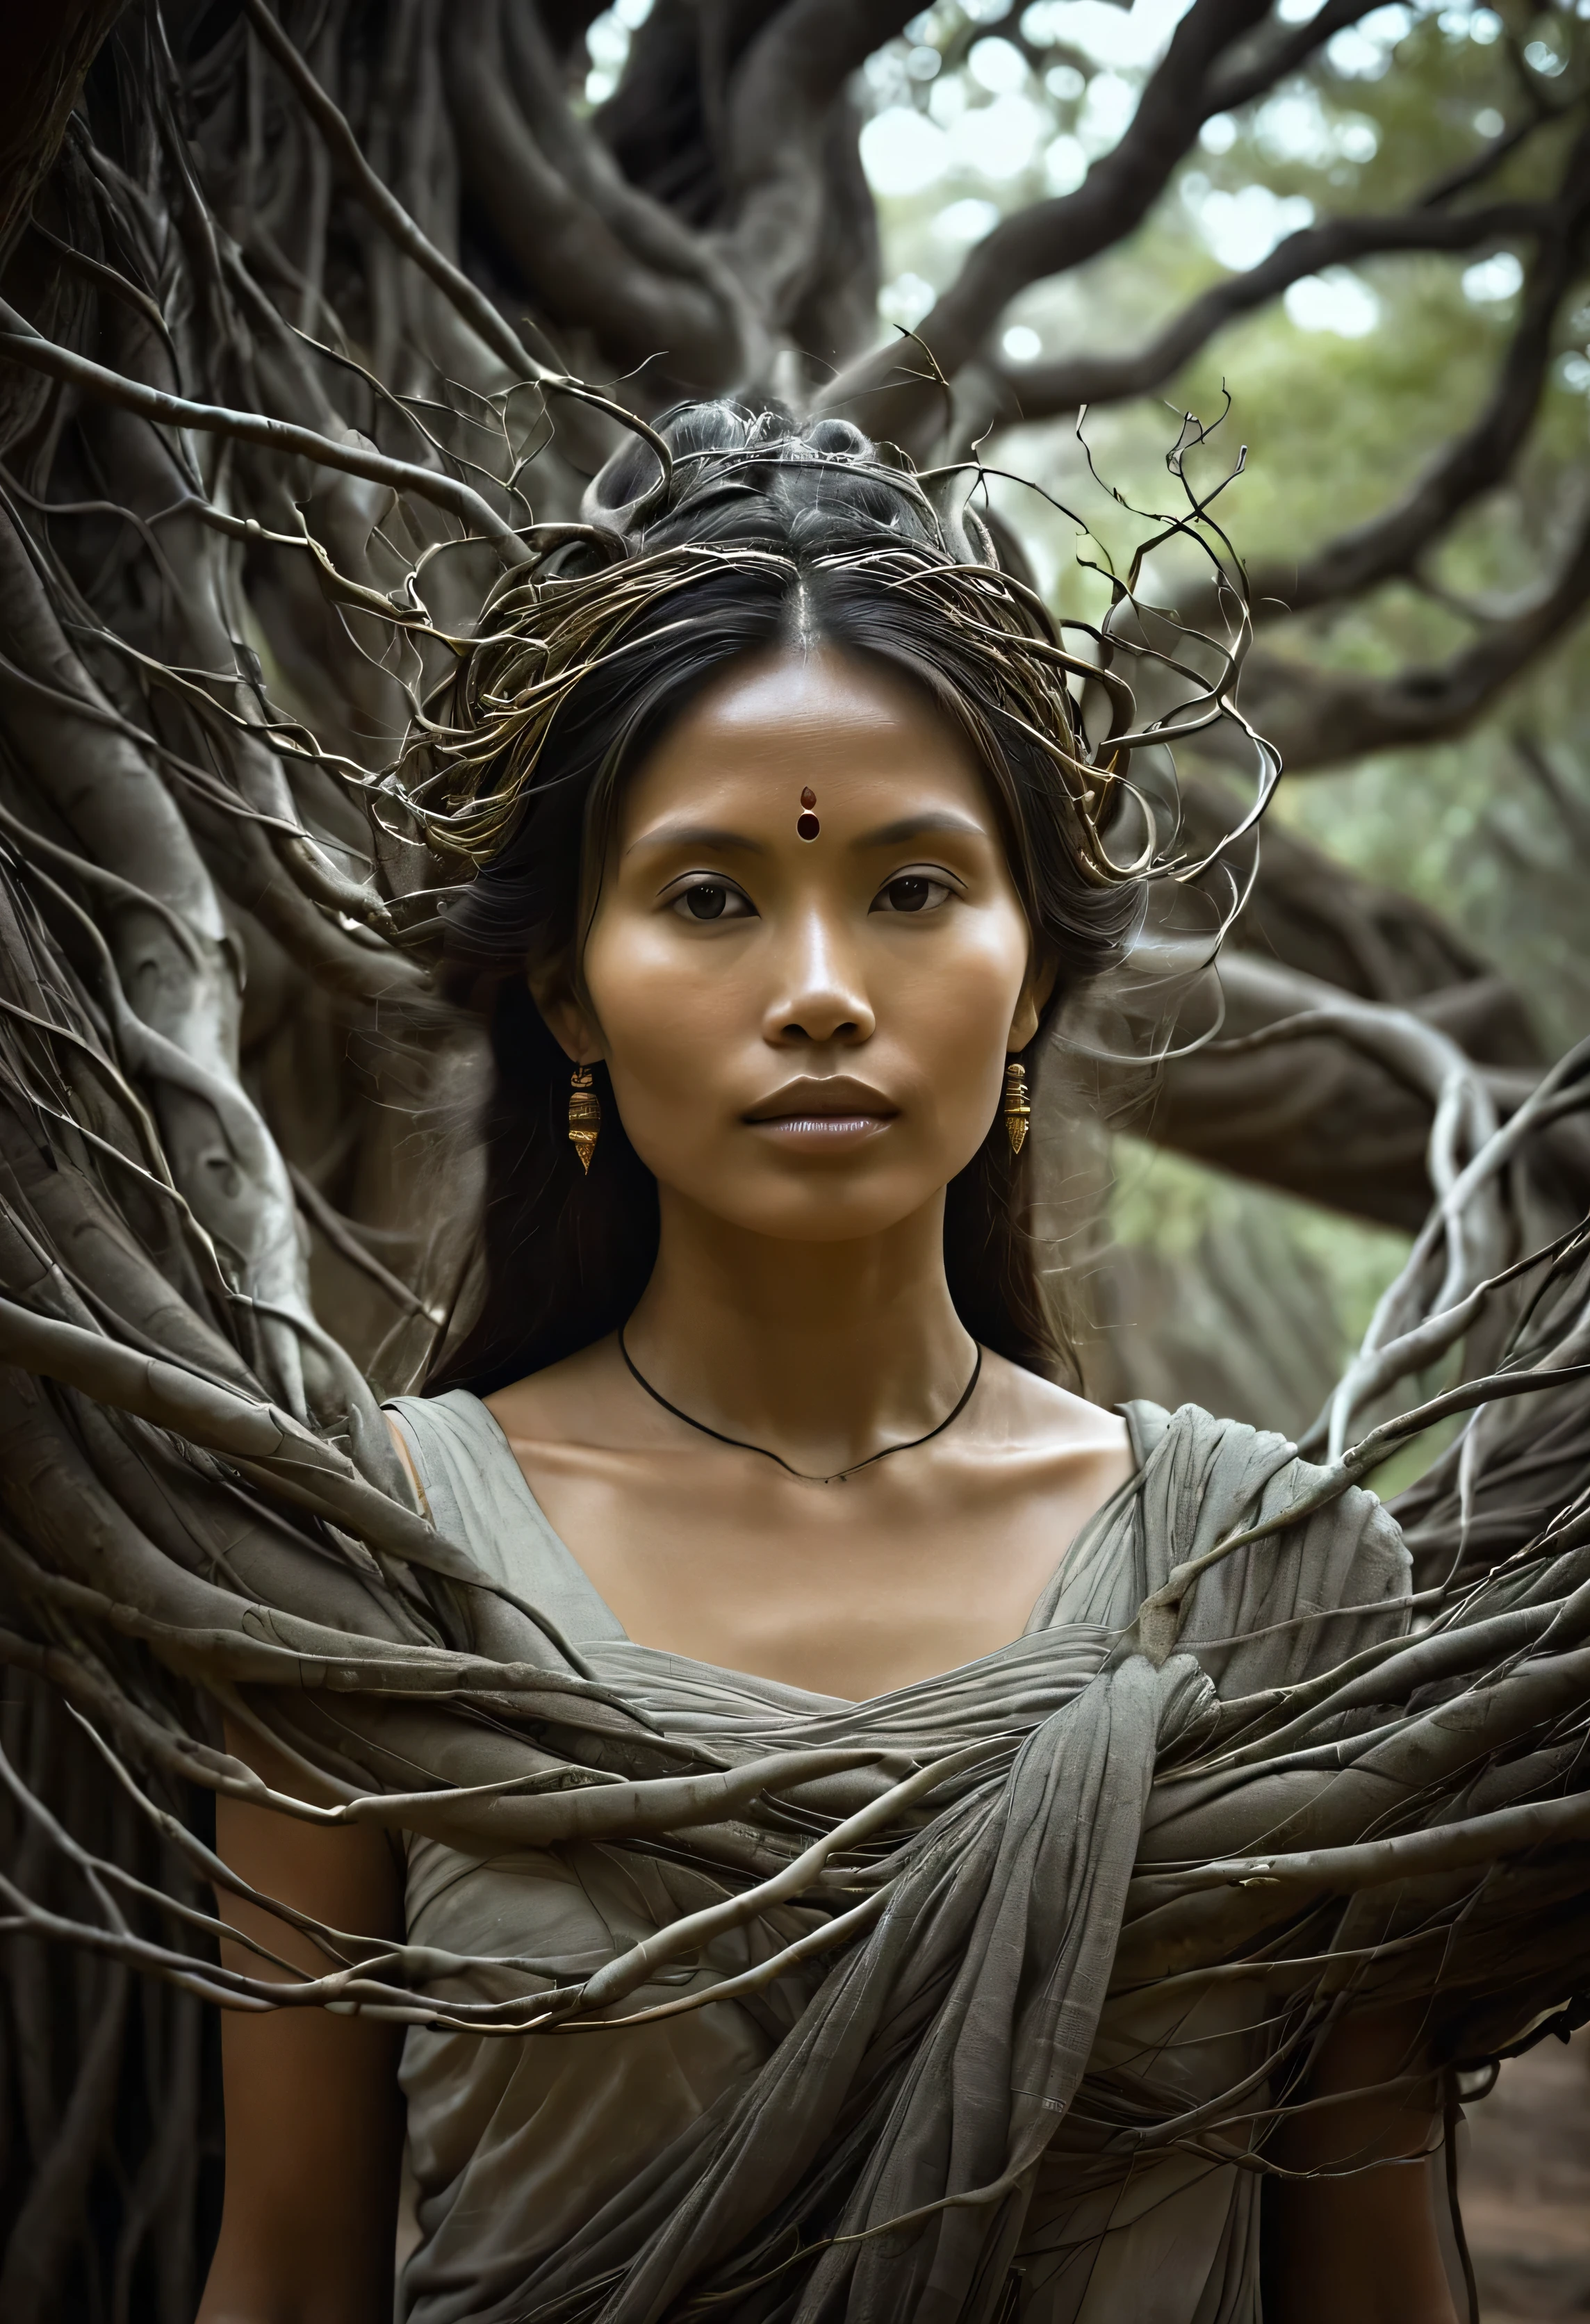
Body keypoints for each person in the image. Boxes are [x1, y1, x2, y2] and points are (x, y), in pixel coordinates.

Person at [196, 405, 1459, 2324]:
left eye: (911, 889)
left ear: (1032, 969)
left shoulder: (1282, 1584)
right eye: (711, 896)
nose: (816, 987)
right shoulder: (378, 1567)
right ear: (566, 988)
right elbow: (287, 2276)